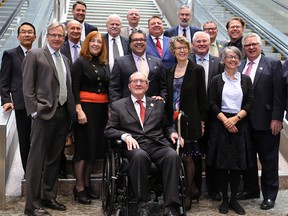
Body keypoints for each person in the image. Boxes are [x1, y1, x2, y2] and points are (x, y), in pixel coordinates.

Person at [104, 72, 182, 216]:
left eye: (142, 81)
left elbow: (166, 126)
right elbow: (109, 130)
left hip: (156, 144)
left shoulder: (158, 104)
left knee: (172, 155)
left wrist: (172, 133)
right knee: (140, 156)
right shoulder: (118, 105)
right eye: (135, 81)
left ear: (147, 86)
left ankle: (171, 207)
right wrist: (125, 136)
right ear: (129, 86)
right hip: (134, 146)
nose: (138, 84)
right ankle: (142, 205)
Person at [22, 22, 76, 216]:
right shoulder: (35, 55)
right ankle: (32, 205)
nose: (56, 38)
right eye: (53, 35)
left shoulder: (65, 60)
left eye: (60, 36)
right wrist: (34, 112)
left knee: (54, 159)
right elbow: (27, 87)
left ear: (64, 38)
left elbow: (67, 88)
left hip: (62, 115)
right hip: (43, 115)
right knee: (36, 160)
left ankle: (48, 196)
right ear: (47, 36)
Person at [237, 33, 285, 210]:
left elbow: (279, 94)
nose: (251, 47)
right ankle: (251, 189)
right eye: (247, 45)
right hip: (244, 122)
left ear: (260, 45)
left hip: (266, 122)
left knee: (269, 160)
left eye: (254, 44)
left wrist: (277, 118)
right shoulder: (240, 65)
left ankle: (270, 195)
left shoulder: (272, 64)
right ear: (244, 48)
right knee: (248, 159)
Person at [207, 46, 254, 215]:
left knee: (236, 165)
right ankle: (224, 200)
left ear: (239, 60)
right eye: (229, 57)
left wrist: (235, 119)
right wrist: (226, 120)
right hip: (221, 124)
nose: (233, 60)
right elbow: (211, 103)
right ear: (223, 60)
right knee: (222, 164)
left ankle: (234, 199)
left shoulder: (246, 80)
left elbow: (250, 102)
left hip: (239, 124)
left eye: (236, 57)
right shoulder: (216, 80)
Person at [166, 36, 208, 210]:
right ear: (173, 51)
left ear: (189, 49)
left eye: (184, 47)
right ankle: (183, 188)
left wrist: (202, 121)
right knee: (177, 155)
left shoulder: (197, 70)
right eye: (178, 48)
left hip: (190, 119)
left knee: (188, 157)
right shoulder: (168, 71)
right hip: (172, 119)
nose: (182, 50)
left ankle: (189, 192)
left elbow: (202, 98)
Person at [71, 31, 109, 205]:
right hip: (85, 109)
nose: (96, 44)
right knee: (83, 149)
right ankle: (79, 187)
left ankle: (87, 184)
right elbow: (74, 87)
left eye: (99, 42)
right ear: (87, 43)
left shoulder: (103, 63)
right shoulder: (80, 62)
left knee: (93, 149)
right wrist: (78, 109)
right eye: (93, 41)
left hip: (101, 111)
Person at [190, 31, 224, 201]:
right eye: (198, 41)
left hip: (214, 115)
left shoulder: (218, 62)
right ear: (193, 44)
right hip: (193, 114)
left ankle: (214, 188)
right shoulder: (186, 61)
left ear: (210, 43)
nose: (202, 44)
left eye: (205, 41)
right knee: (194, 152)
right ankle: (193, 187)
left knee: (213, 152)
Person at [0, 22, 36, 174]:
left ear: (35, 36)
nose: (26, 34)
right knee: (24, 139)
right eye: (23, 32)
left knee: (37, 139)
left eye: (29, 32)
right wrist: (6, 100)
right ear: (18, 36)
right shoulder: (10, 54)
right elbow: (3, 81)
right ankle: (28, 172)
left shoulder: (38, 54)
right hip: (21, 104)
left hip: (38, 103)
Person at [109, 29, 166, 103]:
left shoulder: (157, 62)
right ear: (130, 43)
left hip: (153, 108)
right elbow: (114, 88)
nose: (139, 42)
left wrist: (162, 100)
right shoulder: (120, 62)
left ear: (146, 42)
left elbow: (164, 87)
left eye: (142, 39)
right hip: (128, 108)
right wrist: (118, 107)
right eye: (135, 40)